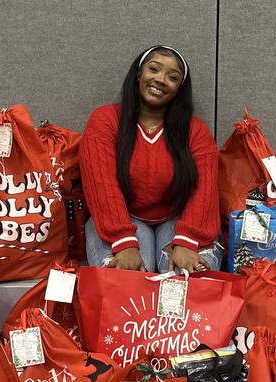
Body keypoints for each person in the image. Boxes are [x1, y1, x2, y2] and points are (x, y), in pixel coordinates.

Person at [80, 45, 221, 273]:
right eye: (154, 69)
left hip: (179, 219)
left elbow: (204, 191)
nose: (161, 79)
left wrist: (188, 240)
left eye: (172, 77)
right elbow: (101, 184)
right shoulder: (105, 120)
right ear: (139, 74)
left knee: (187, 281)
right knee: (126, 280)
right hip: (122, 219)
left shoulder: (195, 131)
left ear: (178, 90)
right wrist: (122, 241)